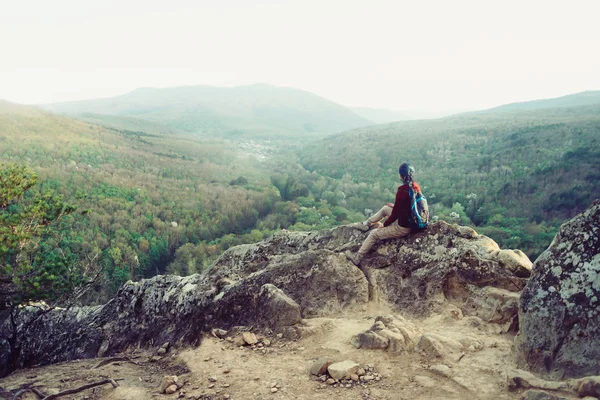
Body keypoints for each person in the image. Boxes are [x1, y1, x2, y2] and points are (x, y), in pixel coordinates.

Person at [345, 162, 422, 266]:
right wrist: (395, 206)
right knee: (386, 208)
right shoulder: (415, 187)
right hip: (411, 219)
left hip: (404, 227)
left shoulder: (402, 191)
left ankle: (357, 258)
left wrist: (384, 225)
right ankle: (366, 224)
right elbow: (408, 206)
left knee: (374, 234)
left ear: (401, 176)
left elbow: (395, 214)